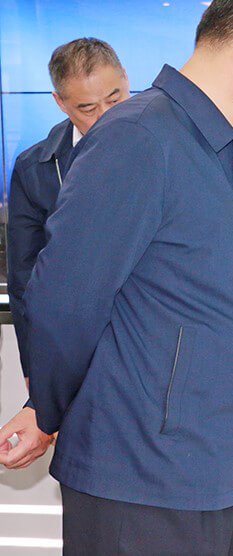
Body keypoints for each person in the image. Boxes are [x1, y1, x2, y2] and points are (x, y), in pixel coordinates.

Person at [0, 0, 233, 554]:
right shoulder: (140, 137)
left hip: (197, 469)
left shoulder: (203, 144)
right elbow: (65, 296)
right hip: (142, 478)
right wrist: (45, 407)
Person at [6, 37, 130, 393]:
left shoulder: (169, 146)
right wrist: (33, 365)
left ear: (125, 78)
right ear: (60, 103)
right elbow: (24, 277)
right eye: (88, 108)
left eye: (115, 99)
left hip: (149, 338)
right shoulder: (35, 168)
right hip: (75, 348)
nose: (106, 116)